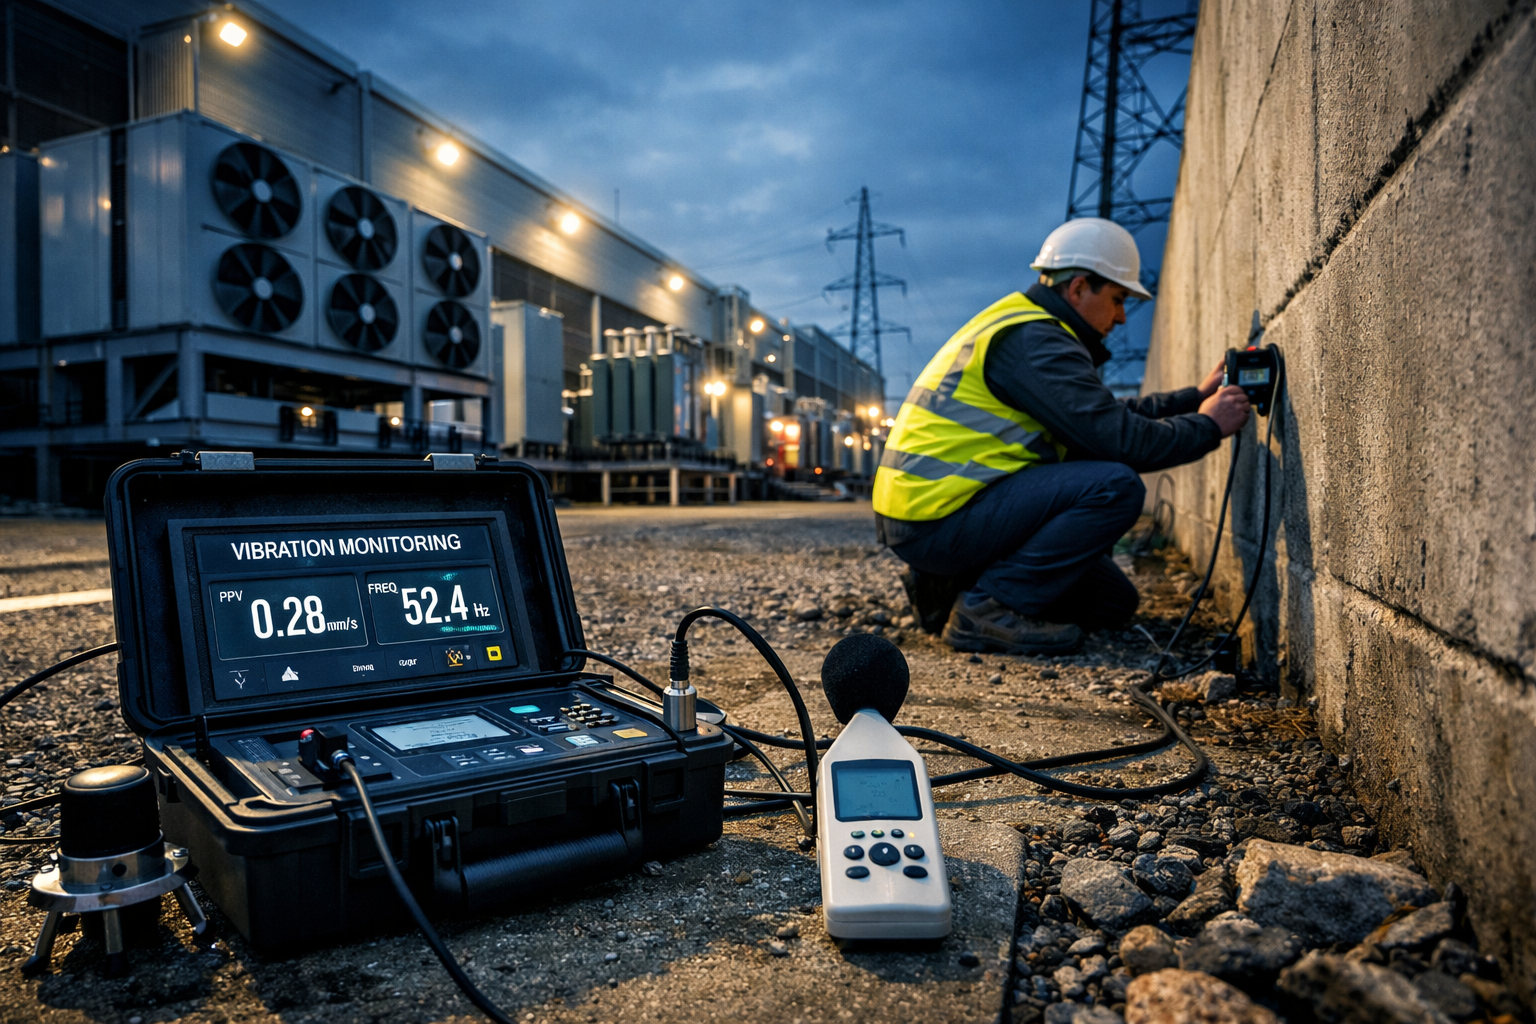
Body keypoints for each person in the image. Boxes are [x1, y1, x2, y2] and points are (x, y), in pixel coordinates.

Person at [872, 218, 1251, 655]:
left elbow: (1102, 417)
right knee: (1115, 486)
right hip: (935, 519)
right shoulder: (1036, 341)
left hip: (942, 513)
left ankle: (945, 588)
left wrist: (1193, 399)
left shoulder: (1027, 329)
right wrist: (1208, 426)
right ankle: (984, 611)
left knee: (1112, 603)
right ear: (1077, 289)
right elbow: (1119, 440)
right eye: (1117, 298)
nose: (1122, 316)